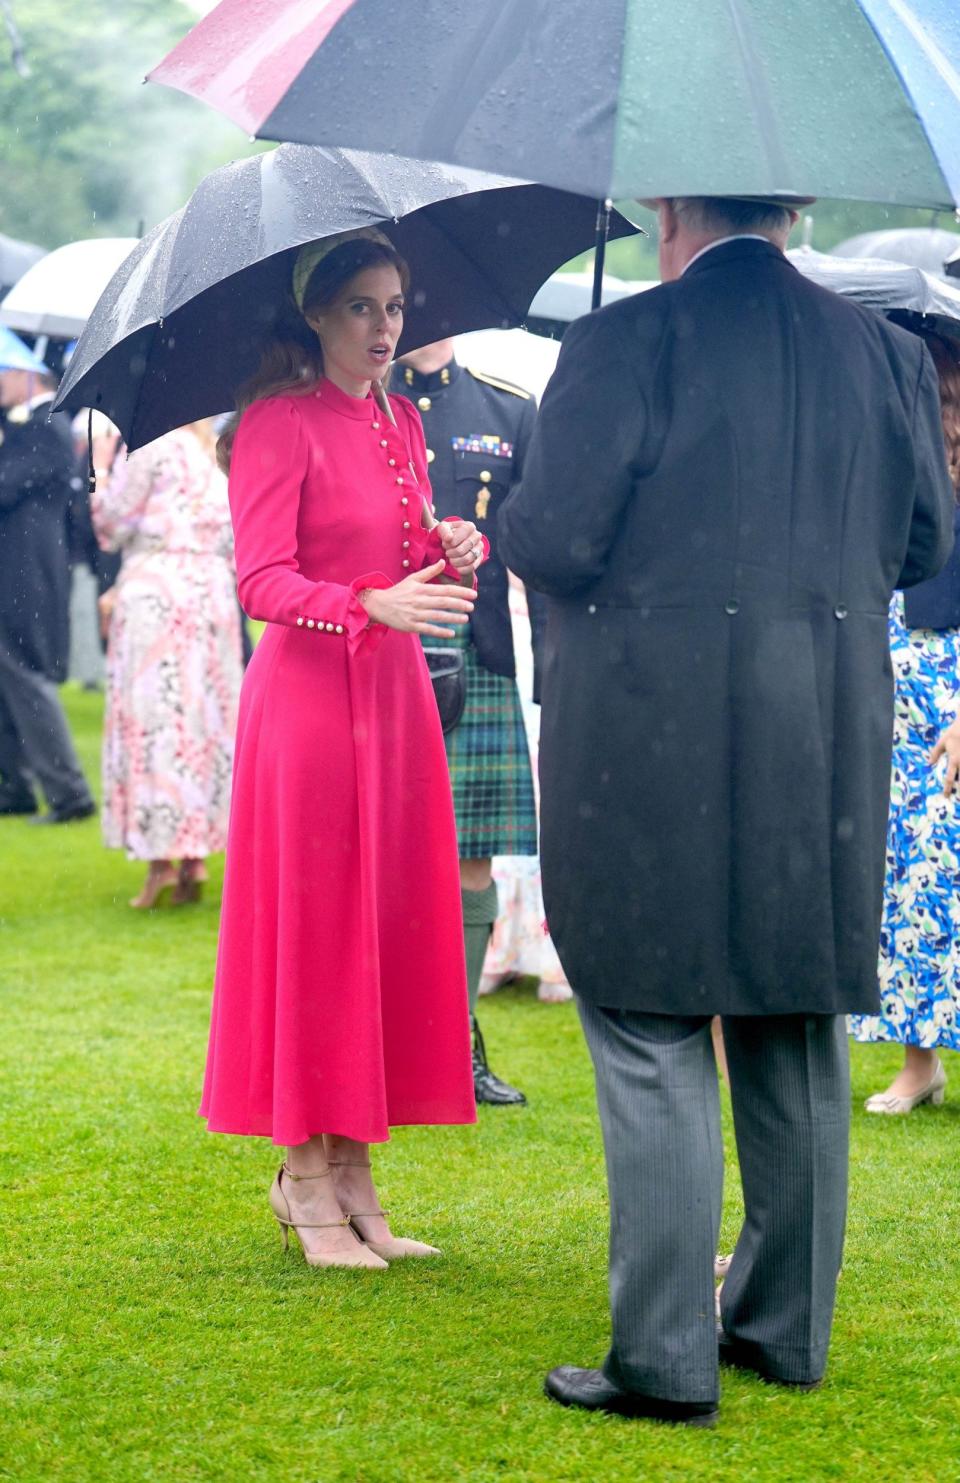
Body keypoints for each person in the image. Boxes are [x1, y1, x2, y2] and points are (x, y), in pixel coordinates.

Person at [498, 195, 955, 1424]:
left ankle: (662, 1356)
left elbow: (558, 538)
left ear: (666, 211)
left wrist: (516, 492)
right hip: (825, 734)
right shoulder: (892, 352)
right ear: (797, 208)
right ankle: (784, 1333)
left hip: (646, 732)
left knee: (649, 1024)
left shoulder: (619, 342)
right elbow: (923, 542)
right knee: (793, 1020)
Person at [201, 228, 485, 1271]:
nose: (383, 328)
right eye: (362, 307)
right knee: (317, 931)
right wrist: (369, 601)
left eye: (397, 307)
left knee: (379, 928)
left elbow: (403, 549)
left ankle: (359, 1177)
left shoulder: (401, 419)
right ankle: (303, 1176)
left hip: (397, 701)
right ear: (317, 313)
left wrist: (455, 542)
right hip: (313, 706)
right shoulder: (277, 423)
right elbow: (261, 581)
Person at [395, 340, 541, 1102]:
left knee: (472, 854)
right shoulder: (361, 399)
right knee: (380, 859)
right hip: (382, 647)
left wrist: (552, 663)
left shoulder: (507, 407)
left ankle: (457, 1037)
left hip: (477, 653)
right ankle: (391, 1038)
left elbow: (538, 545)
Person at [850, 330, 960, 1112]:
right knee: (902, 881)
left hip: (954, 689)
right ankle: (919, 1061)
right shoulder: (897, 474)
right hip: (895, 688)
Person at [91, 420, 243, 909]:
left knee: (156, 723)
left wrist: (98, 468)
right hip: (212, 596)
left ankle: (161, 860)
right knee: (204, 724)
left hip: (157, 593)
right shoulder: (223, 452)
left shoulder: (151, 444)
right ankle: (195, 853)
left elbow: (111, 526)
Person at [0, 330, 96, 824]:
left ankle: (70, 793)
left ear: (24, 373)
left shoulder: (46, 428)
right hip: (15, 573)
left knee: (27, 677)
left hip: (27, 577)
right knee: (8, 681)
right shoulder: (26, 427)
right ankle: (14, 786)